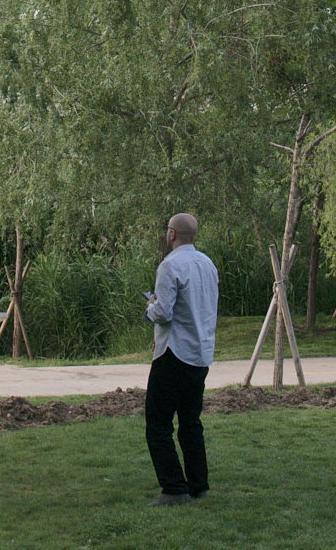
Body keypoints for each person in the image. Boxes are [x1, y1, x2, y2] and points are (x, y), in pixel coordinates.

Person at [142, 212, 218, 507]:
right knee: (191, 423)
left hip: (173, 353)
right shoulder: (207, 264)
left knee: (158, 424)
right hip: (200, 353)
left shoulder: (170, 265)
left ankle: (174, 488)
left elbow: (164, 313)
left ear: (172, 234)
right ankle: (199, 485)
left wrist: (150, 307)